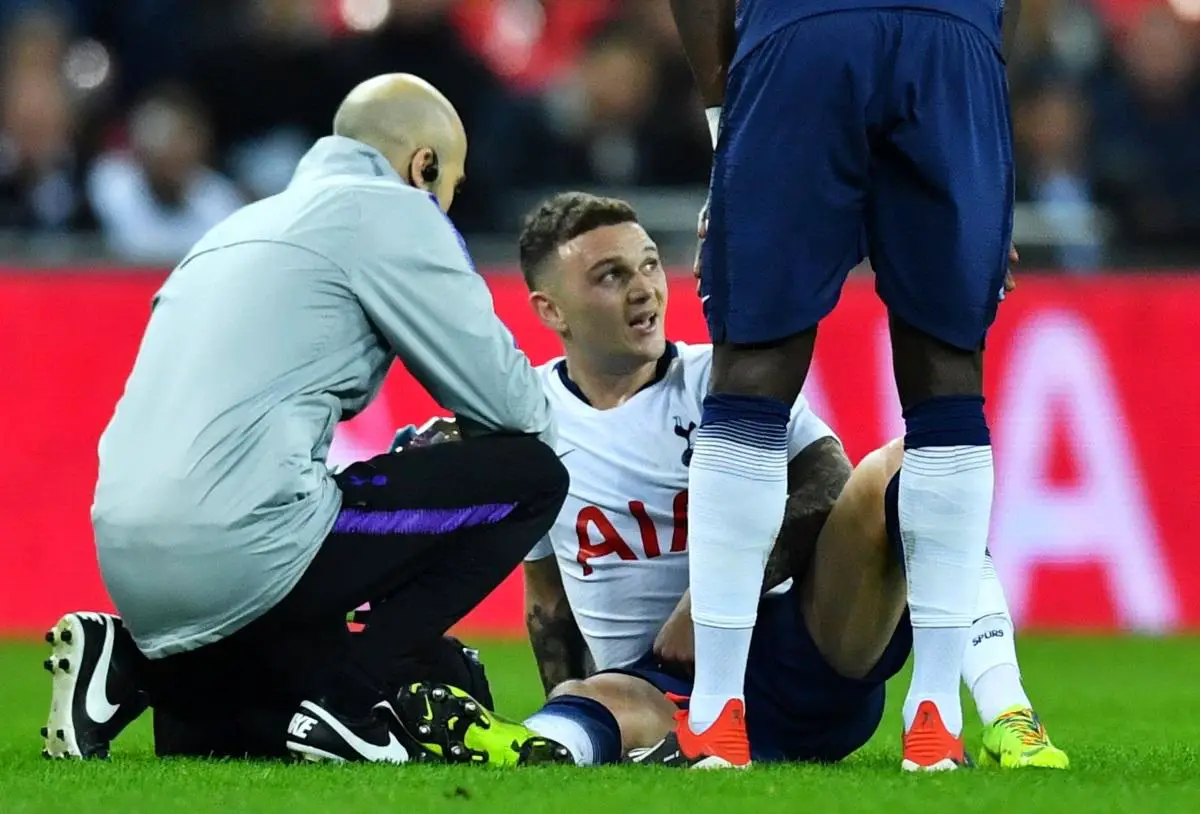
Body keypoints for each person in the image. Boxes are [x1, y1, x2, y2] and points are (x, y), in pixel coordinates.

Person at [394, 192, 1067, 769]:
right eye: (610, 275)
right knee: (593, 700)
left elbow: (828, 483)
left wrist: (714, 597)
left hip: (803, 656)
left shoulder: (721, 380)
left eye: (649, 264)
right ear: (551, 311)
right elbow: (547, 603)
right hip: (663, 686)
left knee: (911, 467)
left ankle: (1006, 710)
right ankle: (537, 747)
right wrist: (570, 696)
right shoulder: (531, 421)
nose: (644, 289)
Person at [42, 74, 570, 765]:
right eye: (451, 185)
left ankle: (129, 668)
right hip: (249, 543)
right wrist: (456, 448)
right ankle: (357, 695)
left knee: (241, 735)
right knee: (531, 474)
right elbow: (516, 409)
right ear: (424, 165)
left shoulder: (232, 227)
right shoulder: (391, 211)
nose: (448, 203)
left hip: (129, 557)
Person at [665, 0, 1021, 768]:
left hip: (803, 34)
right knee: (949, 372)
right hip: (954, 37)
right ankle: (935, 716)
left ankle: (718, 711)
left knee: (753, 365)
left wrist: (728, 127)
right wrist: (985, 119)